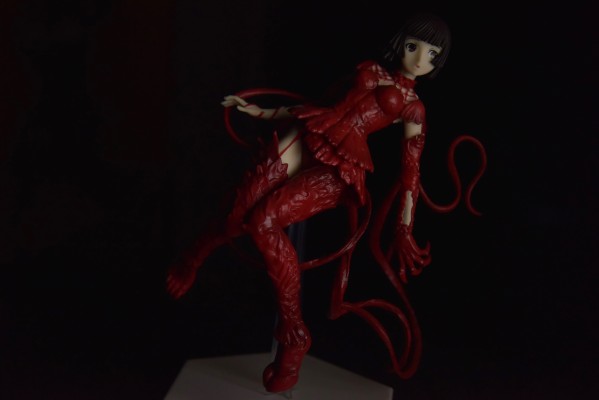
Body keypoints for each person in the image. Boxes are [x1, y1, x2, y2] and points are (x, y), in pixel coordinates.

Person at [167, 13, 479, 393]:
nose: (418, 58)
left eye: (431, 54)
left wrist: (404, 226)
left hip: (342, 166)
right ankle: (193, 258)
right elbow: (322, 104)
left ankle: (294, 334)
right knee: (238, 211)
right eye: (413, 46)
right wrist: (261, 112)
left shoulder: (414, 108)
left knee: (264, 220)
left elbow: (410, 172)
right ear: (401, 42)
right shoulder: (370, 69)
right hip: (308, 133)